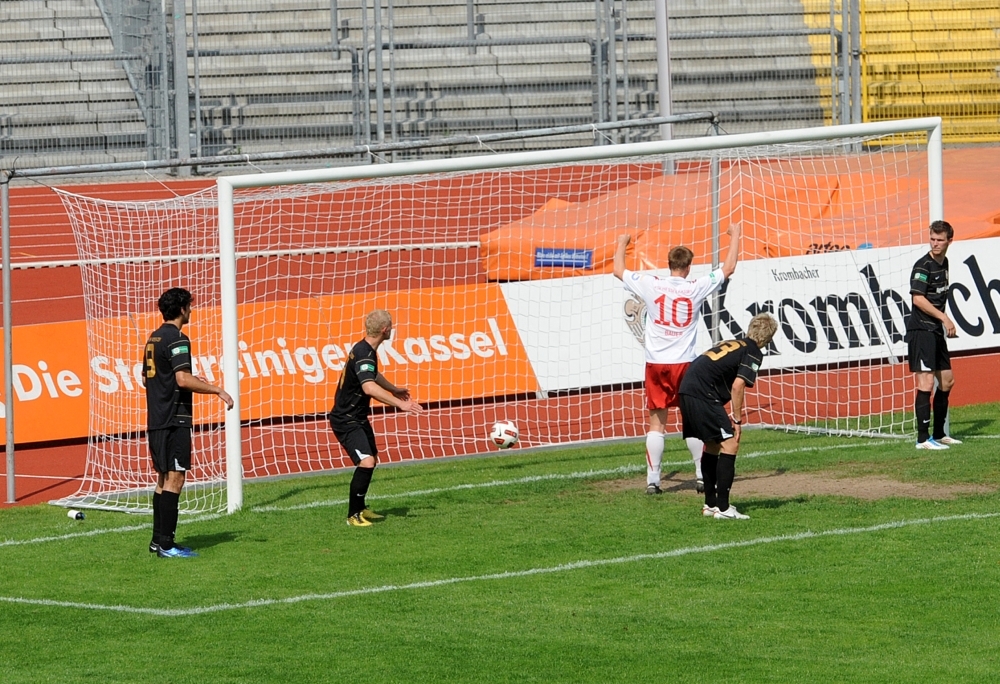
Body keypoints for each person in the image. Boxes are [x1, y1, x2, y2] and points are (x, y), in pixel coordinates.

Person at [613, 223, 742, 495]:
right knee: (692, 420)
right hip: (686, 364)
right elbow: (728, 268)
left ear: (669, 264)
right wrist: (735, 236)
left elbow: (618, 270)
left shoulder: (651, 284)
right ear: (688, 267)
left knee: (657, 423)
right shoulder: (694, 288)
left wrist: (623, 243)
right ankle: (699, 475)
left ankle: (653, 481)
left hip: (656, 363)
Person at [143, 287, 234, 558]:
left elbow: (146, 377)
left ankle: (157, 541)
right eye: (190, 306)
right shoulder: (178, 338)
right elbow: (182, 379)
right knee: (176, 479)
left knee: (163, 478)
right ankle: (167, 546)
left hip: (157, 418)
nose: (192, 310)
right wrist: (217, 389)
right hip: (174, 419)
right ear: (182, 309)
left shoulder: (153, 338)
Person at [678, 312, 778, 520]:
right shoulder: (753, 352)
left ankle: (710, 504)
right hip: (703, 393)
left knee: (713, 445)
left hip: (687, 388)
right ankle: (723, 508)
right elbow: (738, 385)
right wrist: (737, 419)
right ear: (768, 338)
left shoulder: (735, 343)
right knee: (730, 444)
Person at [329, 309, 424, 527]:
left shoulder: (366, 349)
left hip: (357, 416)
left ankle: (361, 508)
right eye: (391, 326)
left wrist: (393, 390)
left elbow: (372, 374)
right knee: (367, 461)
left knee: (372, 458)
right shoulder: (364, 352)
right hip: (346, 419)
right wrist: (401, 404)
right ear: (385, 330)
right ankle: (353, 515)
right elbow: (369, 386)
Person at [906, 220, 961, 450]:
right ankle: (922, 439)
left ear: (950, 240)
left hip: (935, 331)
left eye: (940, 239)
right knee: (926, 382)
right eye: (932, 239)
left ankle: (939, 434)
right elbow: (917, 298)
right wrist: (944, 317)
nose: (935, 243)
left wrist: (941, 322)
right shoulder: (923, 266)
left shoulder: (944, 262)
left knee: (947, 381)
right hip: (921, 330)